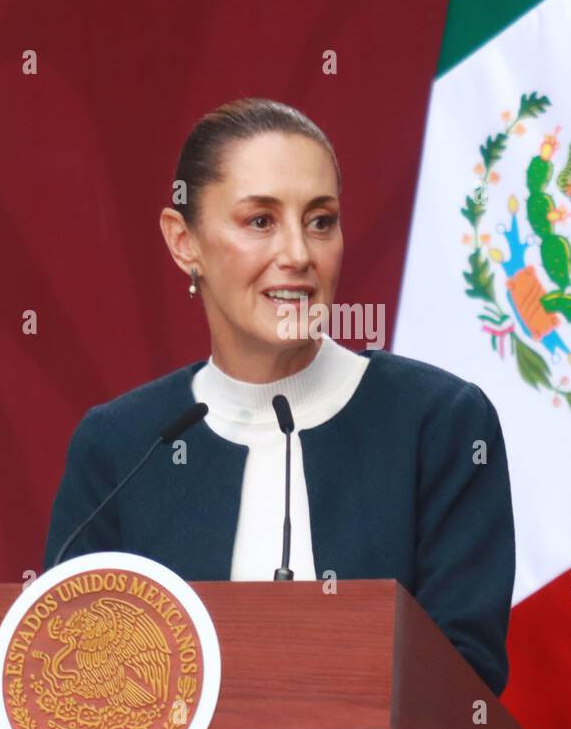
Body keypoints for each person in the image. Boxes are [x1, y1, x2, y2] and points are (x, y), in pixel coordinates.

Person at [42, 98, 516, 695]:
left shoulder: (440, 423)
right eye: (260, 221)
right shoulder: (120, 445)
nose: (298, 254)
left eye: (320, 221)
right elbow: (66, 679)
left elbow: (461, 685)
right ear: (183, 241)